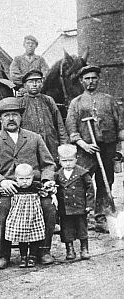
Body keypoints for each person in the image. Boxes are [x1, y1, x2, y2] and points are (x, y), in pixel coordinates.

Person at [0, 97, 57, 269]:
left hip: (33, 189)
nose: (11, 118)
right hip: (5, 189)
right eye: (6, 115)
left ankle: (43, 250)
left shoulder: (34, 138)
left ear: (21, 117)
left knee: (49, 207)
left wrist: (47, 181)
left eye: (15, 114)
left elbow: (48, 164)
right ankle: (3, 253)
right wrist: (1, 182)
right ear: (0, 119)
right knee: (3, 208)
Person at [65, 65, 123, 233]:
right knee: (83, 181)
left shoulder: (109, 100)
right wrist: (84, 144)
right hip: (86, 149)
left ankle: (102, 216)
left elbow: (119, 126)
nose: (91, 81)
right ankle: (82, 216)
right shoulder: (76, 103)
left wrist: (118, 147)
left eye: (94, 78)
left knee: (106, 181)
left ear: (99, 79)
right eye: (87, 78)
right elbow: (72, 130)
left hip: (107, 147)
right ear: (82, 81)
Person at [3, 164, 47, 268]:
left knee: (34, 236)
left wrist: (52, 195)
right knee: (21, 237)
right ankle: (23, 257)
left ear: (32, 177)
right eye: (21, 179)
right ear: (16, 178)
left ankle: (32, 256)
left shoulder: (36, 186)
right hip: (19, 216)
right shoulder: (14, 187)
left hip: (34, 216)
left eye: (28, 178)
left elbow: (45, 191)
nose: (24, 181)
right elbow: (1, 191)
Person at [18, 69, 68, 162]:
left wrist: (64, 146)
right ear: (25, 85)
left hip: (51, 145)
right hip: (29, 146)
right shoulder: (20, 102)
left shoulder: (48, 100)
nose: (34, 84)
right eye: (31, 82)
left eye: (38, 81)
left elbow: (59, 124)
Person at [55, 144, 94, 260]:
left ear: (76, 159)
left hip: (79, 207)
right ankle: (70, 249)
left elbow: (90, 189)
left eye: (71, 160)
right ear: (59, 160)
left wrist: (89, 205)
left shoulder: (82, 173)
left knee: (82, 228)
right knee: (66, 230)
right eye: (64, 161)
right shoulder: (58, 175)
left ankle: (84, 248)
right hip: (65, 208)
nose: (68, 163)